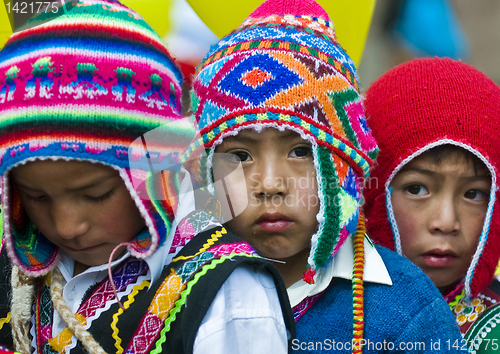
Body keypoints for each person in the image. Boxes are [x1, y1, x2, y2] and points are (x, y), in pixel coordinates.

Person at [0, 1, 295, 353]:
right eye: (37, 196)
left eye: (95, 194)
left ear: (160, 162)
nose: (66, 226)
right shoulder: (17, 269)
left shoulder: (231, 300)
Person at [187, 0, 466, 352]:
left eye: (301, 151)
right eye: (240, 155)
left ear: (343, 166)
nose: (271, 185)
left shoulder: (407, 315)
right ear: (208, 168)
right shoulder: (175, 290)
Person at [364, 57, 500, 353]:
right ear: (368, 191)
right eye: (416, 188)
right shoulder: (317, 313)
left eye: (474, 194)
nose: (446, 221)